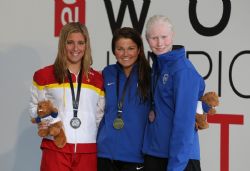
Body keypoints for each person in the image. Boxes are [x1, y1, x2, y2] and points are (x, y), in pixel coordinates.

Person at [29, 22, 104, 171]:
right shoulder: (44, 76)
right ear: (63, 44)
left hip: (87, 151)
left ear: (86, 46)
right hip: (55, 148)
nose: (75, 48)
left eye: (80, 43)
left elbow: (99, 116)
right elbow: (34, 108)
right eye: (70, 42)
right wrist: (42, 120)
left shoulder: (98, 79)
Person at [142, 15, 205, 171]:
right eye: (154, 38)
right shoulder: (158, 66)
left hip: (179, 160)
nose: (160, 43)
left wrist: (176, 166)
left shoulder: (183, 70)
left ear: (173, 36)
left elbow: (184, 124)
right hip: (155, 154)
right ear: (147, 40)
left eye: (164, 37)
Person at [97, 27, 151, 171]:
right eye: (120, 49)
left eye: (131, 48)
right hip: (104, 154)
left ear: (139, 50)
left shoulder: (150, 76)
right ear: (114, 51)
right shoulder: (107, 73)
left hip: (135, 157)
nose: (125, 54)